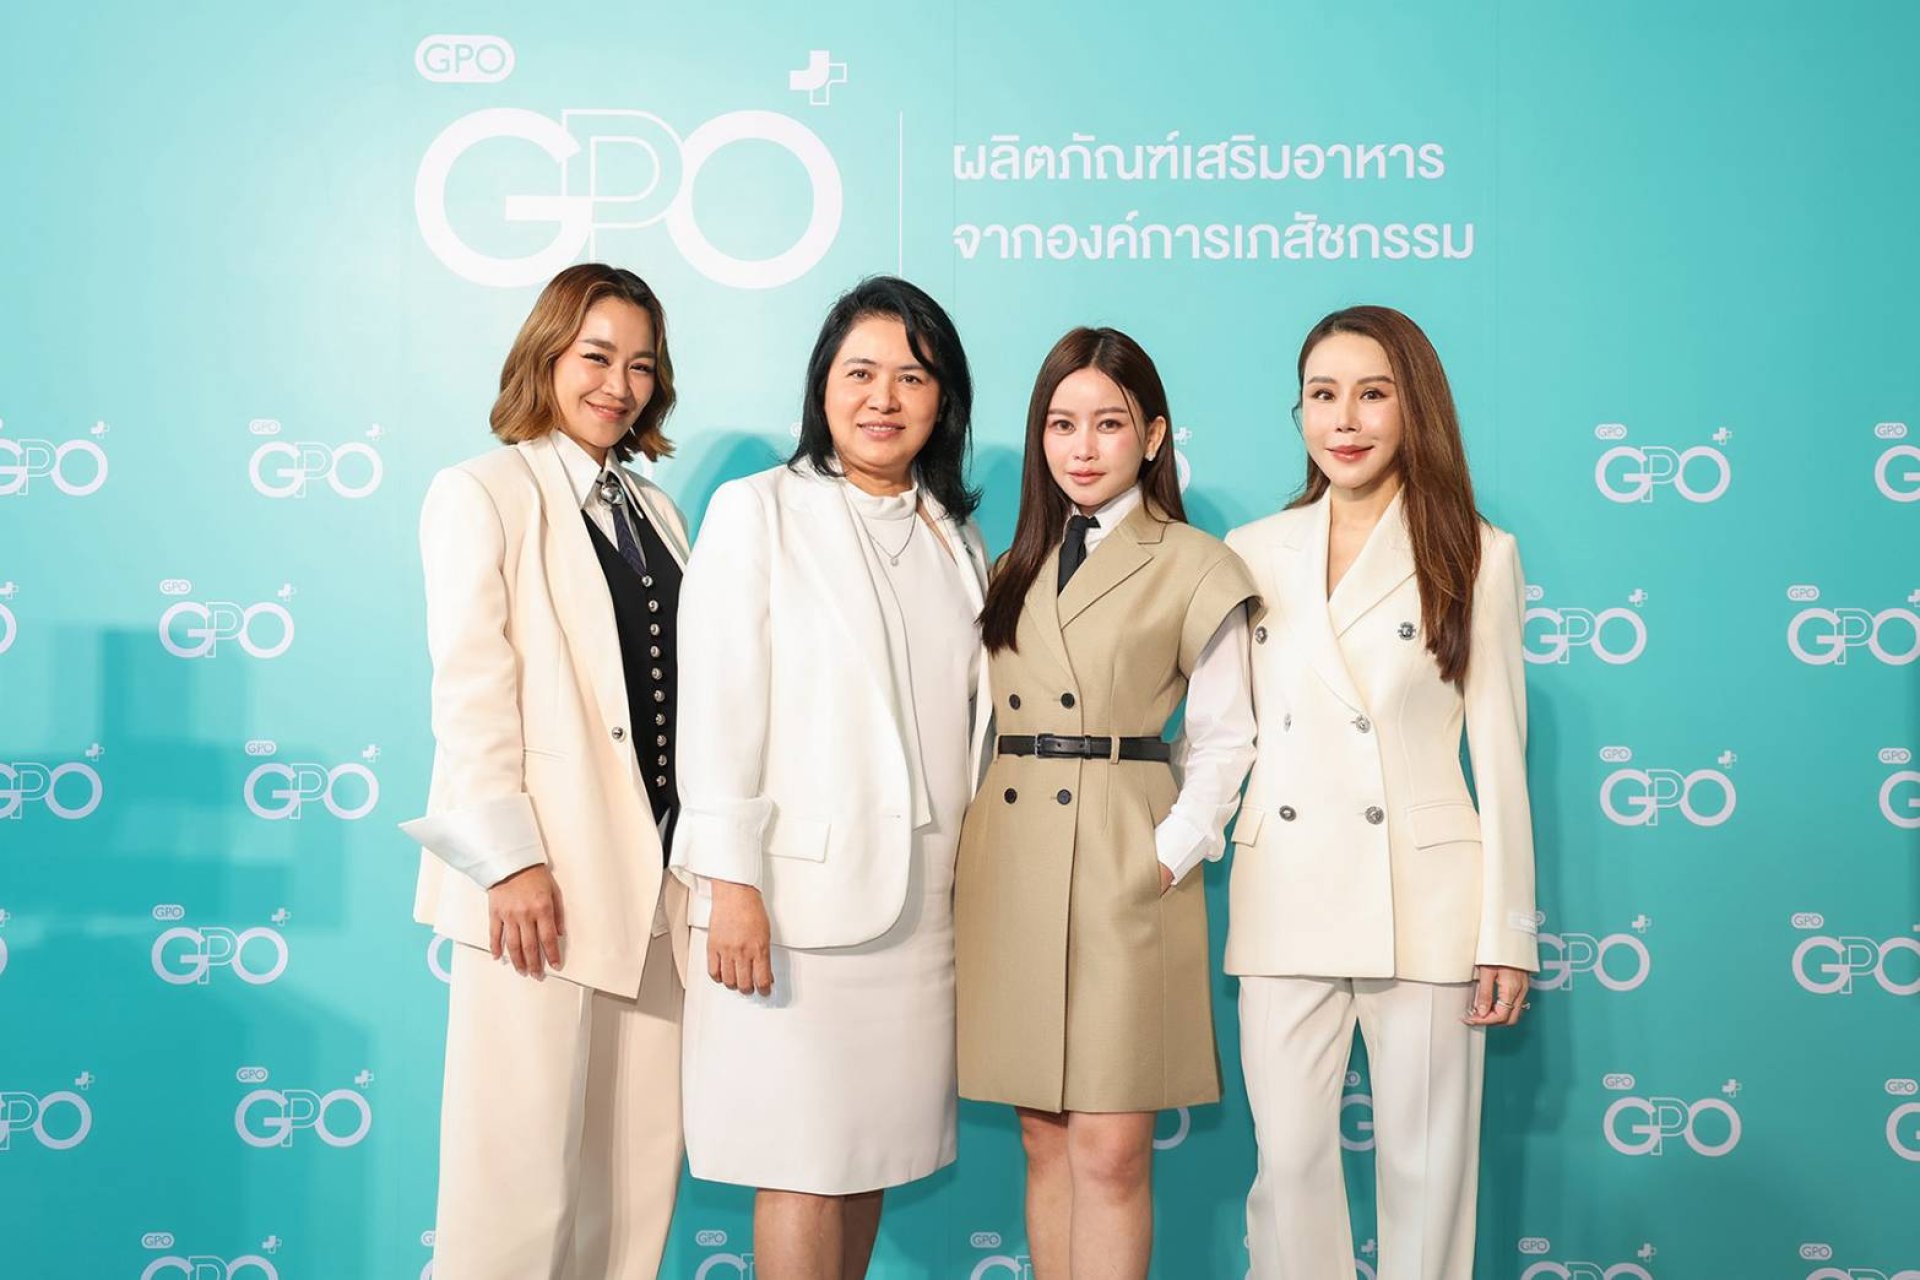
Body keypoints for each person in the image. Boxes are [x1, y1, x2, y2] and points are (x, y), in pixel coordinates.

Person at [671, 277, 989, 1280]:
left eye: (912, 376)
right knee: (802, 1164)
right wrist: (731, 885)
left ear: (943, 400)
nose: (883, 397)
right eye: (860, 372)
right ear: (822, 387)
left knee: (867, 1159)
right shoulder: (757, 510)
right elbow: (716, 707)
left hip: (922, 914)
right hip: (791, 907)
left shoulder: (955, 536)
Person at [1224, 305, 1540, 1279]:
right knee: (1287, 1169)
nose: (1345, 419)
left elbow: (1500, 751)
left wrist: (1507, 931)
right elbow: (1225, 733)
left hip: (1427, 897)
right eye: (1323, 395)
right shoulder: (1251, 549)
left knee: (1427, 1171)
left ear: (1415, 408)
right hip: (1284, 888)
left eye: (1372, 394)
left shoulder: (1477, 552)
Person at [400, 263, 692, 1279]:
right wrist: (510, 863)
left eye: (641, 366)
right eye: (596, 357)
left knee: (632, 1189)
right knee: (513, 1194)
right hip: (540, 890)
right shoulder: (482, 492)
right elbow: (472, 689)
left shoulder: (657, 510)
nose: (619, 385)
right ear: (546, 355)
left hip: (654, 890)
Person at [954, 326, 1259, 1280]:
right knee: (1043, 1139)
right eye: (1061, 424)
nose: (1081, 448)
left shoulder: (1195, 562)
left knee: (1112, 1150)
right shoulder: (1010, 564)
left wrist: (1169, 850)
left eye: (1109, 423)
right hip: (1013, 859)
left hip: (1124, 852)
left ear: (1155, 435)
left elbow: (1225, 736)